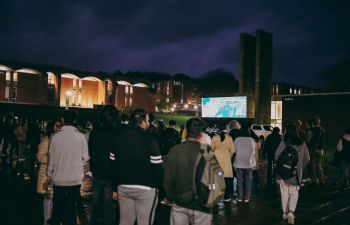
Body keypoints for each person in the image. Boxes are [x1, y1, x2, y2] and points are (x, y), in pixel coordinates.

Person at [110, 109, 163, 225]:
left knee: (125, 222)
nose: (149, 124)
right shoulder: (149, 140)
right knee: (144, 222)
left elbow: (112, 165)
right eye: (148, 121)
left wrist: (114, 187)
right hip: (146, 188)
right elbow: (158, 168)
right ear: (142, 122)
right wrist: (159, 188)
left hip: (123, 187)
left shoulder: (118, 138)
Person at [164, 118, 212, 225]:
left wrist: (170, 196)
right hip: (201, 203)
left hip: (179, 201)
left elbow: (168, 177)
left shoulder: (175, 150)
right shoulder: (207, 151)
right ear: (201, 133)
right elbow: (216, 177)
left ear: (186, 130)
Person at [47, 110, 90, 225]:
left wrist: (49, 175)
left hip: (58, 179)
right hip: (74, 180)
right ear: (75, 120)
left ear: (62, 120)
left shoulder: (55, 137)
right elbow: (85, 157)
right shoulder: (80, 137)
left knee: (57, 210)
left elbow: (52, 159)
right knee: (71, 210)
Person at [89, 105, 120, 225]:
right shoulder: (116, 132)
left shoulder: (95, 132)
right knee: (109, 208)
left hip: (97, 171)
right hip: (110, 174)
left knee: (96, 207)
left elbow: (90, 151)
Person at [275, 125, 310, 225]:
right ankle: (291, 212)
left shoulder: (284, 143)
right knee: (294, 193)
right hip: (296, 174)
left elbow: (276, 155)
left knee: (284, 193)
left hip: (283, 174)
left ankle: (284, 213)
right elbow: (307, 159)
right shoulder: (302, 144)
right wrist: (300, 167)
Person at [37, 120, 62, 225]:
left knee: (57, 199)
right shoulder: (46, 140)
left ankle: (54, 220)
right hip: (47, 174)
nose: (59, 127)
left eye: (61, 125)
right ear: (52, 127)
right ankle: (46, 221)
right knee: (48, 198)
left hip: (58, 174)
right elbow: (40, 157)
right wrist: (52, 158)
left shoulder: (61, 140)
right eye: (57, 125)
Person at [211, 123, 235, 201]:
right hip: (226, 159)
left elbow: (211, 149)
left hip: (216, 158)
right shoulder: (229, 138)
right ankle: (227, 196)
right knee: (226, 178)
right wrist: (229, 157)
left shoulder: (214, 137)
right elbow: (232, 150)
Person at [233, 125, 256, 203]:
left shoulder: (237, 139)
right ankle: (247, 198)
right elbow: (254, 151)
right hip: (248, 164)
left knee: (239, 181)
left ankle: (239, 197)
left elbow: (234, 150)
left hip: (239, 163)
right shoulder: (251, 140)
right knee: (248, 181)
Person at [308, 117, 326, 187]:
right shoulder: (323, 130)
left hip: (313, 150)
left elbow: (309, 141)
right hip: (320, 150)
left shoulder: (311, 130)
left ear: (312, 123)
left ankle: (314, 182)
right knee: (319, 165)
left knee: (312, 166)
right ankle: (322, 181)